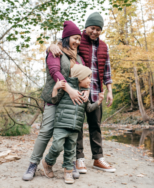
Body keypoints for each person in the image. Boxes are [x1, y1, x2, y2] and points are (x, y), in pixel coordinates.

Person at [48, 12, 115, 173]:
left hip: (95, 91)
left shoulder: (104, 46)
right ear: (86, 27)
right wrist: (51, 45)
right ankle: (79, 159)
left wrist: (109, 90)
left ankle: (98, 158)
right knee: (76, 126)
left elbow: (107, 70)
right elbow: (62, 46)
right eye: (92, 28)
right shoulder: (78, 40)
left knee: (95, 126)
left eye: (98, 29)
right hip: (76, 91)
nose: (95, 32)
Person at [22, 21, 89, 181]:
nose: (77, 42)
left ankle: (69, 164)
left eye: (79, 39)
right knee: (46, 132)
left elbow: (85, 77)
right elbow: (54, 71)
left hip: (72, 103)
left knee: (72, 133)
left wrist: (86, 91)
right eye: (75, 38)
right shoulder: (56, 51)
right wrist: (69, 89)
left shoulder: (79, 58)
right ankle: (33, 163)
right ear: (66, 38)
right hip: (56, 99)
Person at [41, 64, 104, 184]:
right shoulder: (66, 89)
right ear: (80, 78)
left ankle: (68, 171)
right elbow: (54, 100)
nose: (90, 80)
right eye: (88, 77)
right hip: (61, 125)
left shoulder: (85, 94)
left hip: (75, 128)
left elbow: (89, 109)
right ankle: (48, 162)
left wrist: (99, 102)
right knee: (57, 147)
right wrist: (55, 89)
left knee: (71, 151)